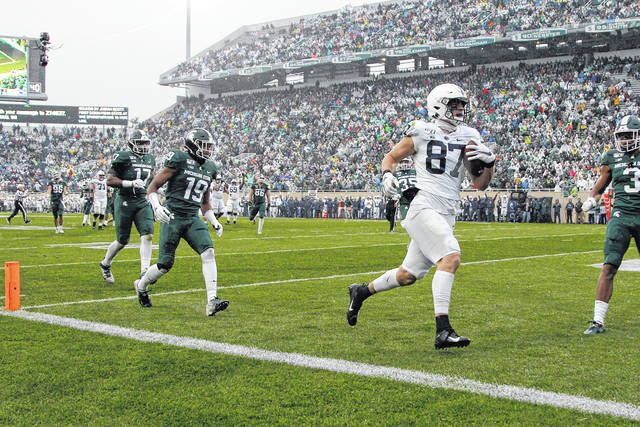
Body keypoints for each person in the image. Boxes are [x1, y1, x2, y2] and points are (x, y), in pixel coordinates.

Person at [346, 83, 495, 350]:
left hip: (447, 210)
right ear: (438, 104)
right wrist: (387, 175)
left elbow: (480, 184)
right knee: (450, 257)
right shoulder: (422, 130)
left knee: (408, 275)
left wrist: (491, 163)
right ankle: (443, 330)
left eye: (462, 104)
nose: (460, 108)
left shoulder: (470, 135)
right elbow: (391, 156)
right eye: (454, 103)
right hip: (422, 205)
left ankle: (361, 292)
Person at [133, 128, 228, 317]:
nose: (208, 150)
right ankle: (142, 286)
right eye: (204, 146)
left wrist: (214, 220)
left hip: (192, 217)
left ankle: (212, 301)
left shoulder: (210, 168)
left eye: (209, 147)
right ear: (192, 145)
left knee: (208, 252)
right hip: (173, 215)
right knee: (164, 264)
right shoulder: (179, 158)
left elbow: (205, 201)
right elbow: (152, 187)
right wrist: (157, 208)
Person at [582, 115, 640, 335]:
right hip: (621, 216)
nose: (625, 140)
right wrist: (591, 199)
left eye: (629, 136)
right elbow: (598, 188)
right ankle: (597, 321)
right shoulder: (612, 157)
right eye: (622, 136)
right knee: (609, 266)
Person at [99, 130, 156, 284]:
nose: (143, 146)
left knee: (148, 235)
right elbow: (109, 180)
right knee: (122, 240)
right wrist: (129, 183)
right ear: (132, 143)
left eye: (145, 143)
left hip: (142, 200)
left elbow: (152, 180)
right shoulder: (123, 156)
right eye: (140, 143)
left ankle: (145, 271)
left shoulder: (150, 159)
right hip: (124, 199)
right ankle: (105, 264)